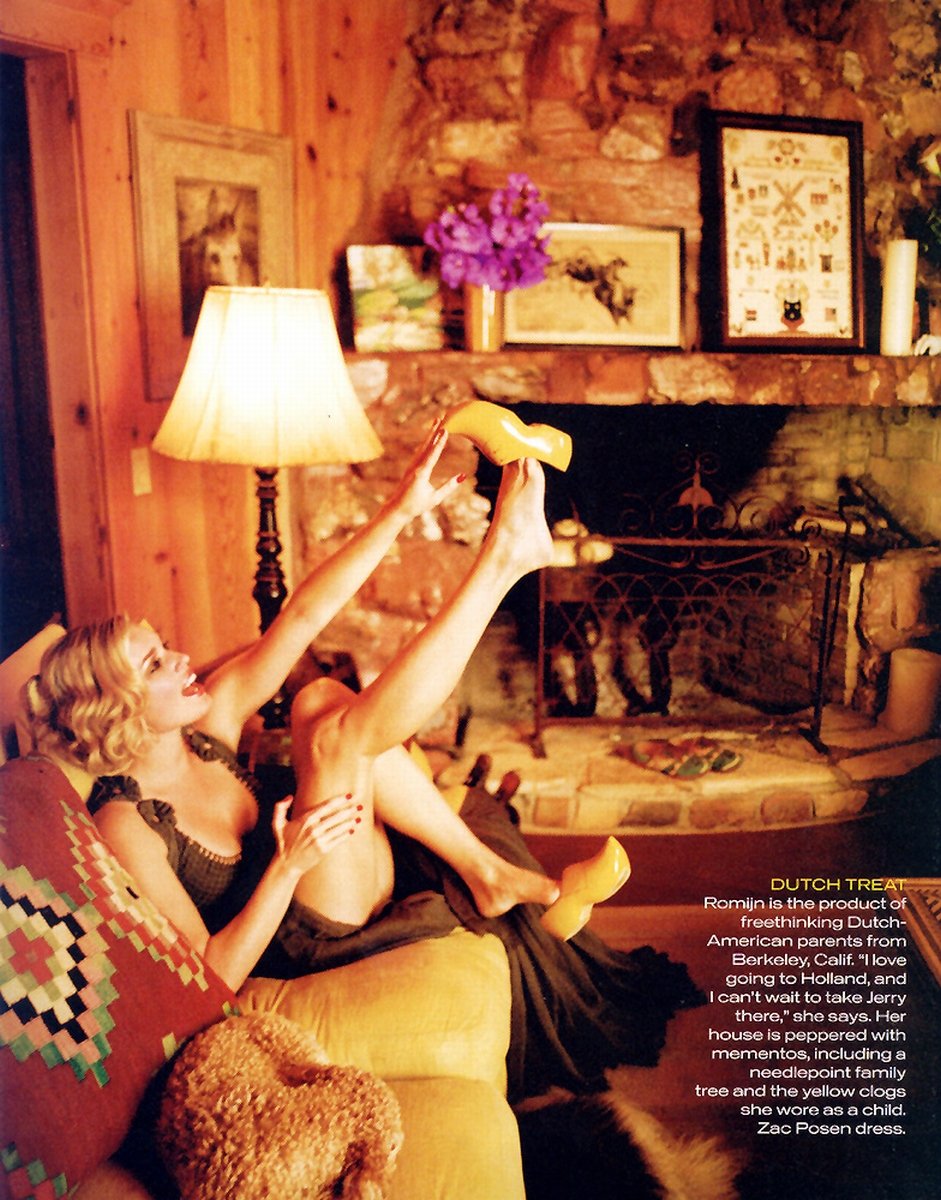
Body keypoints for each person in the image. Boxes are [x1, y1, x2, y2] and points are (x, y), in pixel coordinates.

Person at [29, 428, 703, 1103]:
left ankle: (487, 873)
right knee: (337, 743)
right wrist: (286, 867)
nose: (182, 659)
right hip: (303, 935)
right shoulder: (127, 824)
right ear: (117, 708)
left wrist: (399, 510)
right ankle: (502, 560)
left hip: (337, 876)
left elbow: (300, 617)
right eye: (155, 664)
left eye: (165, 646)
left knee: (320, 697)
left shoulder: (206, 724)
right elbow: (210, 976)